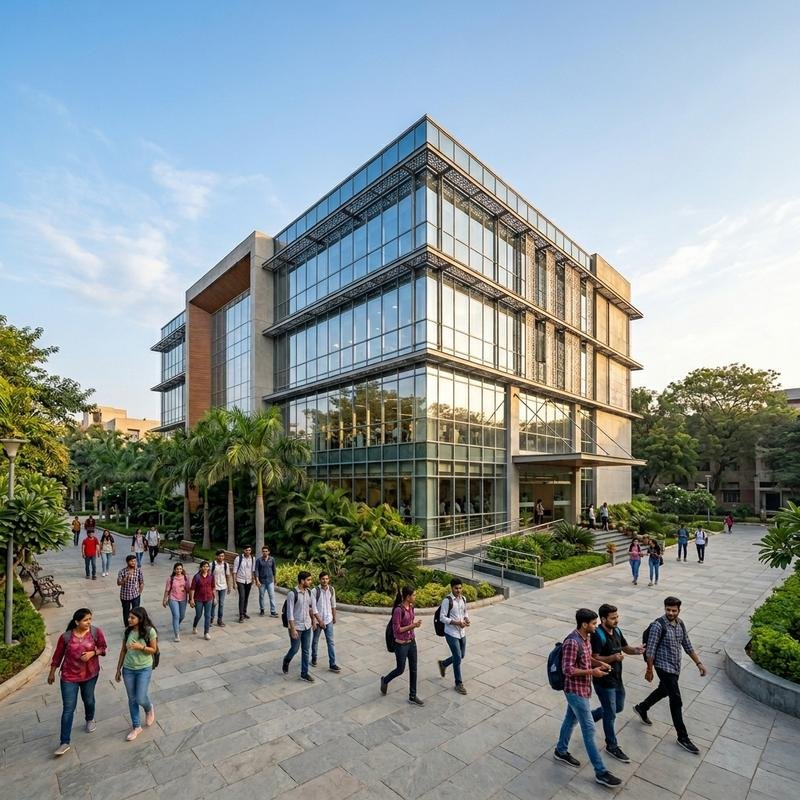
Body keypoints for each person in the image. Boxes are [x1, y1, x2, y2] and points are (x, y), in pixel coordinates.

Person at [553, 608, 621, 788]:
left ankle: (561, 750)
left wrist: (600, 663)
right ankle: (601, 772)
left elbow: (587, 658)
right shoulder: (572, 642)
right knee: (589, 731)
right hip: (574, 692)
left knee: (570, 720)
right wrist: (593, 671)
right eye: (593, 623)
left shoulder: (587, 638)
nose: (596, 626)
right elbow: (567, 669)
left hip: (583, 689)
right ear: (584, 624)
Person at [634, 596, 707, 754]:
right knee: (676, 699)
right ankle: (683, 737)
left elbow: (687, 644)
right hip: (662, 666)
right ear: (665, 608)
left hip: (675, 666)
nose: (671, 613)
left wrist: (698, 663)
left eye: (674, 610)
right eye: (668, 609)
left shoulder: (680, 624)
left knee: (664, 690)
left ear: (679, 610)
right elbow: (651, 649)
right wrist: (649, 669)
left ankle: (642, 707)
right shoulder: (658, 626)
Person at [48, 608, 108, 756]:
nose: (89, 622)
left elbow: (103, 648)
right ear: (77, 622)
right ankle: (64, 742)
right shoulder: (66, 637)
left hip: (90, 674)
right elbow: (57, 656)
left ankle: (89, 719)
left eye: (90, 619)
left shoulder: (95, 632)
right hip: (69, 676)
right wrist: (52, 673)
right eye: (85, 620)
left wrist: (93, 653)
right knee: (68, 708)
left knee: (88, 700)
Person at [589, 604, 644, 764]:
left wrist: (636, 650)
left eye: (617, 617)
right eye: (613, 618)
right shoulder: (597, 635)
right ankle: (611, 746)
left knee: (618, 707)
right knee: (610, 713)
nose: (616, 620)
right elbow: (593, 659)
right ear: (603, 619)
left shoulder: (617, 631)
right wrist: (613, 658)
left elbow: (625, 648)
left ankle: (590, 717)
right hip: (603, 680)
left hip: (617, 679)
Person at [115, 607, 158, 741]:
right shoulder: (127, 632)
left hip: (144, 668)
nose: (129, 619)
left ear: (140, 618)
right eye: (129, 617)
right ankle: (136, 726)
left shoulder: (149, 631)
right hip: (128, 669)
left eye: (132, 618)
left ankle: (148, 707)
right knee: (132, 699)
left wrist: (141, 647)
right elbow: (123, 651)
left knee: (140, 697)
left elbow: (153, 650)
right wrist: (118, 669)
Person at [380, 586, 424, 705]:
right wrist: (413, 626)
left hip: (412, 642)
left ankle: (412, 696)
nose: (415, 597)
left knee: (414, 669)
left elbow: (410, 623)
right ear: (408, 597)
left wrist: (413, 626)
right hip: (401, 645)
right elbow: (397, 630)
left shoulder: (411, 607)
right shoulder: (398, 610)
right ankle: (385, 680)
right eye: (414, 595)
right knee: (400, 669)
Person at [437, 578, 470, 695]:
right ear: (451, 588)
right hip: (451, 633)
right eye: (456, 588)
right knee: (457, 657)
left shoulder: (463, 599)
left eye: (460, 588)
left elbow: (465, 612)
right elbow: (442, 617)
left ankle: (443, 664)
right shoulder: (447, 600)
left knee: (461, 655)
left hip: (462, 632)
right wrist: (456, 623)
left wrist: (466, 619)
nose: (458, 590)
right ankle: (458, 683)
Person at [282, 570, 314, 681]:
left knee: (306, 650)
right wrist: (293, 629)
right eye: (308, 580)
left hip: (307, 626)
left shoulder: (309, 592)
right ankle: (286, 660)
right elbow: (289, 613)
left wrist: (313, 621)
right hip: (296, 627)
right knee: (295, 649)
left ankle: (304, 673)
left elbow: (310, 608)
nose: (310, 582)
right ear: (302, 581)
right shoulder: (292, 594)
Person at [311, 571, 340, 672]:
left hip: (328, 619)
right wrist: (318, 621)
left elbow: (333, 605)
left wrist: (334, 617)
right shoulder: (315, 591)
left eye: (327, 579)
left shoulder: (331, 590)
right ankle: (314, 657)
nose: (325, 581)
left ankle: (332, 664)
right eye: (323, 579)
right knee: (315, 641)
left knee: (331, 642)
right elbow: (313, 608)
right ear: (320, 580)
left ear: (329, 579)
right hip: (319, 621)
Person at [162, 563, 191, 642]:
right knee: (176, 615)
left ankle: (176, 625)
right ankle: (177, 634)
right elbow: (167, 590)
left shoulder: (186, 578)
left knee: (182, 616)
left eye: (180, 569)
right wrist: (164, 599)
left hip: (183, 599)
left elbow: (189, 589)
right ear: (174, 570)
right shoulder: (170, 579)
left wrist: (191, 599)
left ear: (182, 569)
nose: (179, 570)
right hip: (172, 599)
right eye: (177, 569)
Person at [189, 560, 215, 640]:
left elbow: (213, 587)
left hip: (209, 598)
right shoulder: (197, 577)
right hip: (198, 599)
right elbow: (192, 589)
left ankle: (206, 633)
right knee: (198, 615)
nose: (205, 568)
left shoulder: (211, 576)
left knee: (208, 616)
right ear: (200, 567)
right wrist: (192, 599)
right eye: (204, 566)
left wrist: (215, 598)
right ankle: (194, 626)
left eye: (207, 566)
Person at [117, 555, 144, 627]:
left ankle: (136, 626)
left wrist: (139, 592)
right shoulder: (122, 571)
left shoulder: (138, 571)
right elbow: (118, 583)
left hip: (135, 595)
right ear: (127, 562)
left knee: (136, 612)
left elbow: (141, 582)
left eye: (135, 561)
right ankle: (127, 626)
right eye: (132, 561)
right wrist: (125, 578)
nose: (133, 563)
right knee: (126, 612)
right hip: (125, 596)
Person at [233, 546, 256, 622]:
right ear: (244, 550)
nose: (248, 552)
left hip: (248, 580)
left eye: (249, 550)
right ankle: (241, 615)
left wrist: (253, 579)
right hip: (240, 580)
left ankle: (244, 612)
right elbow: (234, 571)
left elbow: (253, 570)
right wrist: (234, 582)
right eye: (246, 550)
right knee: (242, 597)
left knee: (246, 597)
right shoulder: (238, 558)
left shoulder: (253, 558)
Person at [211, 550, 232, 627]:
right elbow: (209, 576)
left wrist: (229, 587)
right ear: (216, 556)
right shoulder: (212, 565)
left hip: (223, 586)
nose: (221, 557)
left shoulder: (226, 565)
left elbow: (228, 576)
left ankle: (220, 620)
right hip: (214, 587)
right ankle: (211, 619)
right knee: (214, 603)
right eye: (219, 556)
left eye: (222, 556)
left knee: (221, 604)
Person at [255, 545, 277, 617]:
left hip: (270, 581)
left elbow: (274, 570)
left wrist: (275, 579)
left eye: (266, 551)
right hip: (262, 581)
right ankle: (262, 609)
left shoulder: (272, 559)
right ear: (262, 552)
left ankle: (273, 611)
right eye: (263, 551)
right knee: (261, 596)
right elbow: (256, 570)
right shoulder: (259, 560)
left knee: (272, 596)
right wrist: (257, 580)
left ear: (269, 552)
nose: (264, 553)